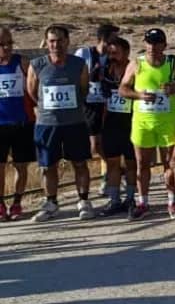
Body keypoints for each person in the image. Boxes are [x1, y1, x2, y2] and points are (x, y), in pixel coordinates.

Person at [119, 28, 175, 220]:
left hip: (167, 122)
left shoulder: (172, 63)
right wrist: (139, 95)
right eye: (149, 42)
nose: (152, 47)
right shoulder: (137, 63)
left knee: (169, 163)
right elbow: (123, 89)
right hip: (143, 123)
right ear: (145, 44)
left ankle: (172, 201)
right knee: (142, 163)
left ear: (164, 45)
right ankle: (143, 202)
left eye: (157, 43)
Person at [26, 25, 94, 221]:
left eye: (60, 41)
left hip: (74, 122)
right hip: (47, 123)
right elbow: (32, 91)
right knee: (48, 166)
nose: (56, 45)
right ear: (46, 43)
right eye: (52, 41)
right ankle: (51, 203)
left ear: (67, 41)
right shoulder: (37, 65)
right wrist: (46, 108)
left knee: (80, 163)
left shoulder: (79, 64)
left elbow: (83, 90)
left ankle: (83, 201)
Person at [74, 23, 119, 195]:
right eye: (113, 40)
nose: (115, 43)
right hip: (89, 103)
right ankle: (114, 169)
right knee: (95, 145)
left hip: (107, 103)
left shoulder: (113, 57)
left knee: (104, 142)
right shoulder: (84, 53)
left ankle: (111, 173)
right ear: (103, 39)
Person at [97, 36, 137, 217]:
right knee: (112, 163)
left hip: (131, 122)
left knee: (131, 164)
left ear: (126, 52)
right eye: (110, 53)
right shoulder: (105, 70)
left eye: (116, 53)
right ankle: (114, 200)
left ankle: (131, 199)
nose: (112, 56)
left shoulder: (134, 70)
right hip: (111, 123)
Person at [0, 27, 34, 220]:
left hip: (22, 122)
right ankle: (0, 204)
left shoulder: (22, 62)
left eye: (9, 43)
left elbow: (34, 87)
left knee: (21, 166)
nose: (6, 47)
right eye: (1, 44)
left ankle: (17, 202)